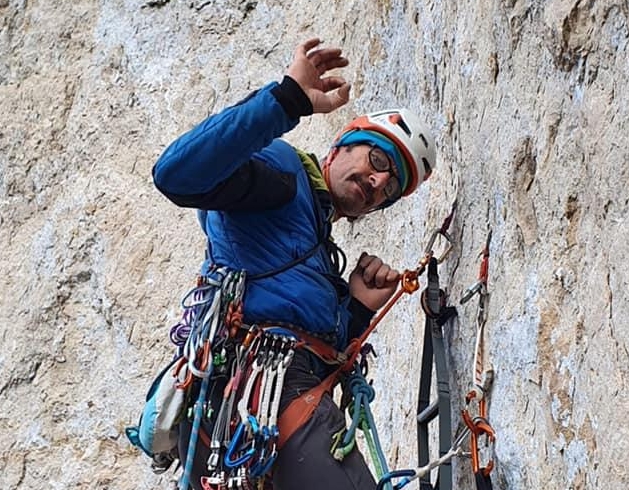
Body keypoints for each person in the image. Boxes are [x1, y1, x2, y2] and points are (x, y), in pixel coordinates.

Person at [152, 37, 437, 490]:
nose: (378, 181)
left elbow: (306, 335)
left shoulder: (317, 248)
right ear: (339, 149)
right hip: (265, 389)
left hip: (269, 400)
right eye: (377, 159)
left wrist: (357, 307)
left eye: (388, 189)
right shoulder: (283, 176)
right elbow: (176, 174)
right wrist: (286, 99)